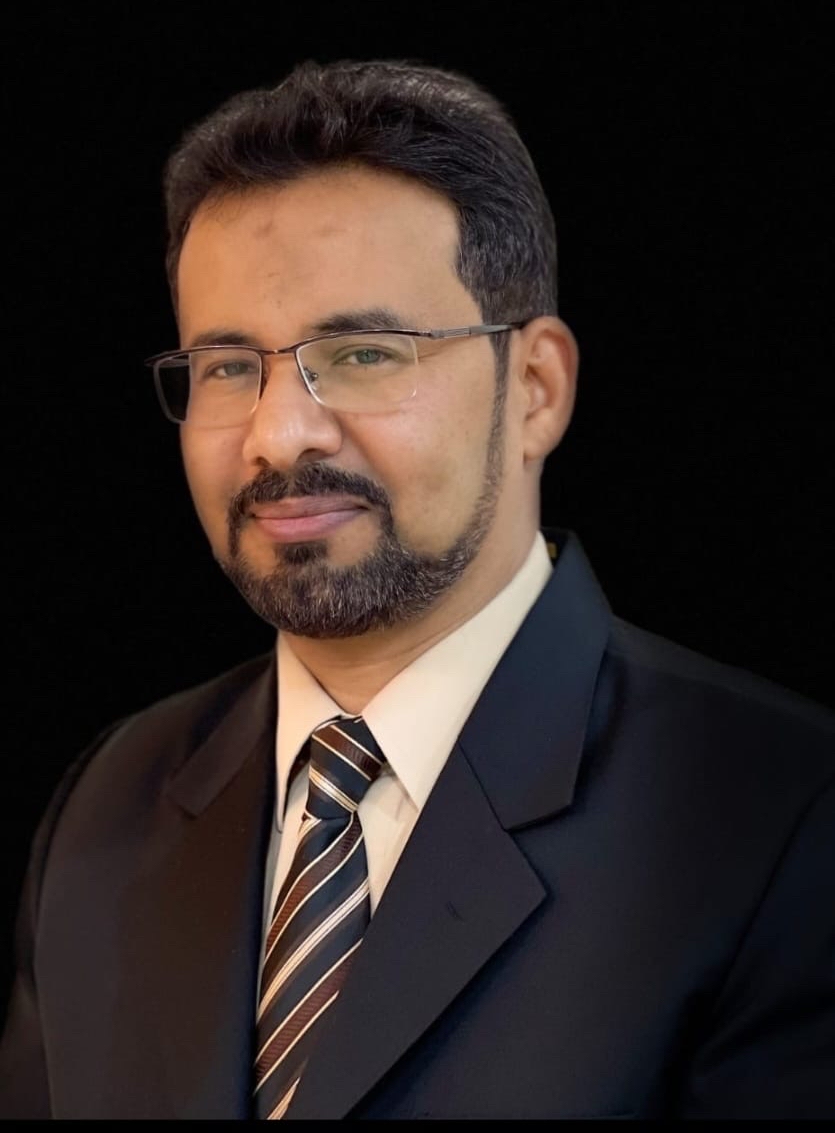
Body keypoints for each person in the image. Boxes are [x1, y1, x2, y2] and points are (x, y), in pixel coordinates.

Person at [1, 57, 833, 1121]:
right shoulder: (106, 809)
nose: (278, 434)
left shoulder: (777, 817)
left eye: (361, 354)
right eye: (228, 367)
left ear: (535, 390)